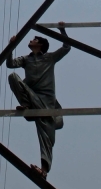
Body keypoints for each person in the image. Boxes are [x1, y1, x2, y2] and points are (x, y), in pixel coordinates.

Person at [7, 23, 71, 179]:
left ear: (40, 44)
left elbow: (67, 47)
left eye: (34, 39)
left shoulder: (49, 58)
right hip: (31, 98)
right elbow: (10, 64)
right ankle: (26, 106)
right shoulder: (26, 59)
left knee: (47, 136)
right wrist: (11, 46)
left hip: (47, 102)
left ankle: (43, 171)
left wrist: (62, 30)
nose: (31, 40)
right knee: (13, 77)